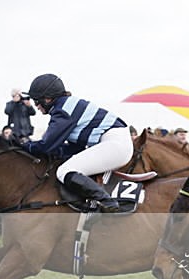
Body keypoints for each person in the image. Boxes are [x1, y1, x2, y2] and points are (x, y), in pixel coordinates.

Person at [22, 74, 131, 212]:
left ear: (48, 99)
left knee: (64, 171)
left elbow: (46, 145)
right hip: (114, 142)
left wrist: (24, 145)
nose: (36, 106)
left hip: (115, 145)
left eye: (36, 101)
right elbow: (72, 149)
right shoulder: (66, 105)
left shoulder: (62, 111)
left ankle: (108, 204)